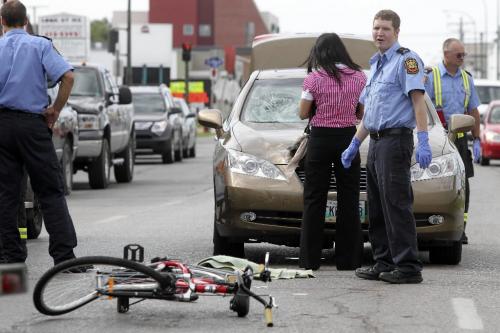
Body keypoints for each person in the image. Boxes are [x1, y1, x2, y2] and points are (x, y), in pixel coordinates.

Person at [341, 9, 431, 284]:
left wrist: (424, 139)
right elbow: (371, 115)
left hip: (396, 140)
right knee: (377, 206)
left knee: (397, 205)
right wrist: (355, 143)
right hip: (377, 142)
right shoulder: (377, 64)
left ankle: (407, 267)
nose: (379, 33)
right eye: (376, 28)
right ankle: (383, 262)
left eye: (385, 29)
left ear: (396, 32)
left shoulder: (407, 61)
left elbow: (417, 102)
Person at [0, 0, 78, 265]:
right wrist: (55, 109)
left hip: (2, 127)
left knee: (6, 193)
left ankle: (11, 257)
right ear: (26, 22)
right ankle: (64, 257)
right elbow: (67, 77)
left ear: (2, 22)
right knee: (50, 190)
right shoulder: (40, 45)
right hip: (33, 126)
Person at [298, 33, 367, 271]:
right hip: (349, 139)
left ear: (320, 53)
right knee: (349, 198)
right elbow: (360, 114)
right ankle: (348, 260)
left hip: (320, 140)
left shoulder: (313, 79)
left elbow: (303, 113)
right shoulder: (359, 78)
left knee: (314, 198)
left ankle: (310, 260)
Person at [424, 38, 481, 245]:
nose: (462, 58)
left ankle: (460, 228)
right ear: (446, 54)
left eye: (464, 54)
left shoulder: (467, 79)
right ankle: (432, 223)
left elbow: (473, 110)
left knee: (463, 186)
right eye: (459, 55)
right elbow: (421, 106)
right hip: (436, 139)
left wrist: (477, 138)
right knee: (435, 182)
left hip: (459, 139)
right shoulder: (431, 77)